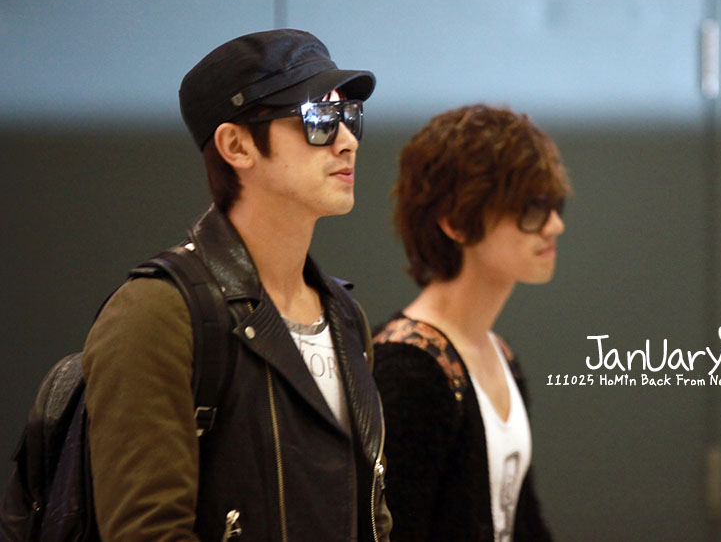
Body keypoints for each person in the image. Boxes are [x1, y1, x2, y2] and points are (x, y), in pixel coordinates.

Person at [81, 29, 391, 541]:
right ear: (236, 145)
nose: (347, 140)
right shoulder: (157, 312)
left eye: (350, 115)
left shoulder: (345, 318)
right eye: (318, 118)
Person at [372, 104, 569, 542]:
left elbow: (525, 522)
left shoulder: (500, 354)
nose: (554, 225)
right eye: (531, 208)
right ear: (456, 221)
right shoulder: (407, 369)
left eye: (554, 204)